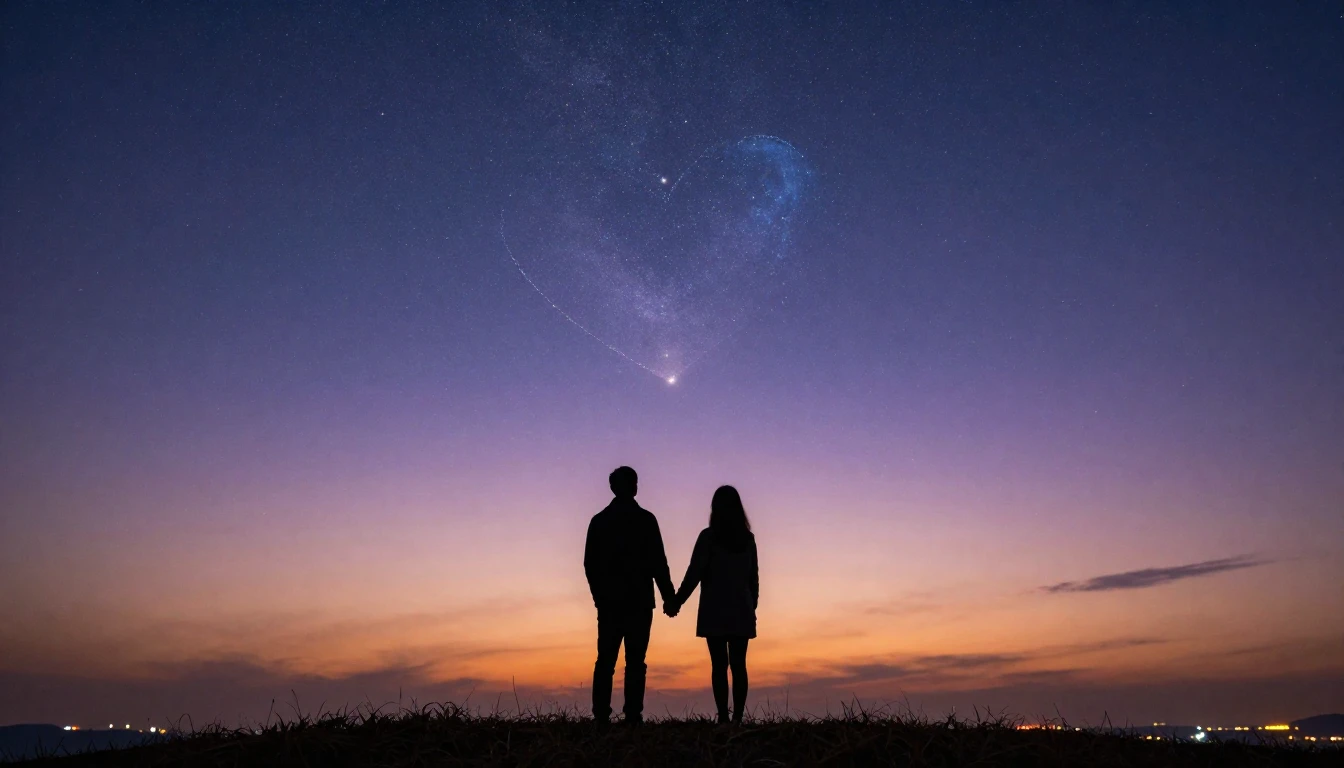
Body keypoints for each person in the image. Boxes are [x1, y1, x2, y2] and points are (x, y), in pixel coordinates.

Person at [584, 466, 677, 725]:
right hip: (636, 602)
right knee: (633, 661)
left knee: (608, 661)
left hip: (614, 603)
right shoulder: (645, 520)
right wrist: (669, 597)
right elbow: (659, 562)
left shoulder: (601, 521)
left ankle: (603, 716)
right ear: (633, 487)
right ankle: (631, 715)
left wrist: (599, 596)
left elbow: (590, 565)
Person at [667, 485, 759, 725]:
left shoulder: (708, 537)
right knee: (739, 665)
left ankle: (724, 717)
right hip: (741, 608)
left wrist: (677, 600)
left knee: (719, 665)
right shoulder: (747, 539)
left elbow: (694, 573)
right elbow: (754, 578)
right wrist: (752, 606)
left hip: (715, 609)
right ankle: (736, 718)